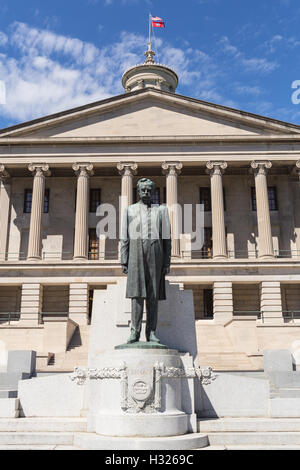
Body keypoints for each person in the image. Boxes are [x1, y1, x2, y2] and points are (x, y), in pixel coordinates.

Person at [121, 178, 171, 343]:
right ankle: (134, 332)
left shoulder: (161, 210)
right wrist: (124, 260)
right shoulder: (130, 210)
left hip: (156, 253)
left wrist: (166, 262)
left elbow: (167, 239)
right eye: (143, 190)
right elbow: (125, 237)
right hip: (136, 254)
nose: (146, 192)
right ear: (138, 191)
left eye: (149, 190)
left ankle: (151, 332)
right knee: (136, 295)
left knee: (153, 295)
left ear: (153, 191)